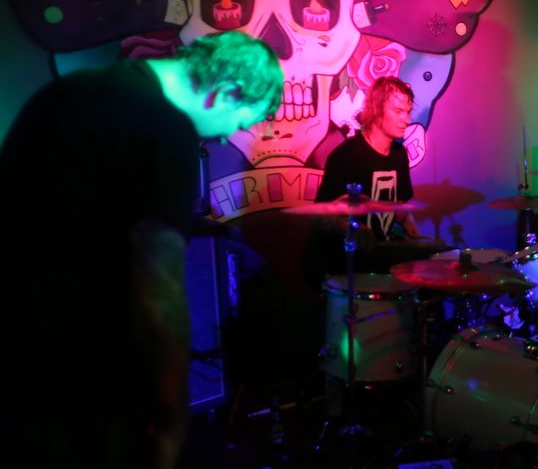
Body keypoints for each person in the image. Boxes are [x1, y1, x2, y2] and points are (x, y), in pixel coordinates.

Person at [0, 31, 283, 469]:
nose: (231, 137)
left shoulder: (76, 89)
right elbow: (158, 292)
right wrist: (172, 415)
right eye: (242, 121)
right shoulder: (164, 129)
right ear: (226, 92)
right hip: (77, 377)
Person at [315, 76, 420, 261]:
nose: (406, 119)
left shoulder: (399, 155)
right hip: (347, 262)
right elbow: (321, 217)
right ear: (376, 109)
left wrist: (407, 221)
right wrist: (352, 228)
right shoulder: (346, 155)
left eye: (408, 112)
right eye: (398, 111)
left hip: (382, 257)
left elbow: (398, 205)